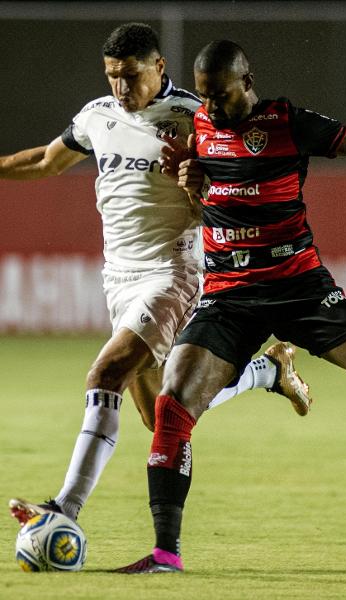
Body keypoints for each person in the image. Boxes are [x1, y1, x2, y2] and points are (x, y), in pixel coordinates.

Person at [114, 39, 346, 574]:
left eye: (220, 96)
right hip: (230, 295)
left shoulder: (289, 123)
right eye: (204, 97)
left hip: (302, 287)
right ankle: (164, 553)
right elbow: (198, 179)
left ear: (247, 82)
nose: (213, 108)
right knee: (172, 407)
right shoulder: (199, 125)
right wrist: (191, 178)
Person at [5, 25, 311, 530]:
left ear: (160, 68)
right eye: (111, 77)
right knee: (161, 413)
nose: (120, 88)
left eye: (130, 76)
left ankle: (64, 509)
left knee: (105, 375)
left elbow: (235, 196)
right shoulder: (97, 116)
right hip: (118, 279)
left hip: (173, 271)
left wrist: (198, 185)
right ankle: (267, 372)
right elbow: (44, 160)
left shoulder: (197, 119)